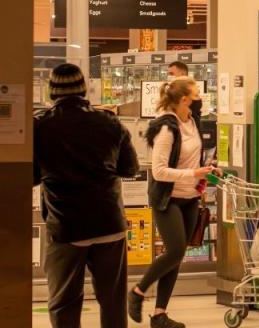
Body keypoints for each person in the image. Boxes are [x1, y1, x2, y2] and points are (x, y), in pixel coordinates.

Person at [34, 63, 140, 328]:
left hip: (66, 225)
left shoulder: (41, 126)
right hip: (109, 223)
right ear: (84, 90)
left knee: (65, 302)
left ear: (52, 92)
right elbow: (130, 168)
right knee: (112, 301)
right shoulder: (110, 122)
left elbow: (32, 176)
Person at [129, 77, 216, 328]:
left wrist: (207, 169)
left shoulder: (192, 121)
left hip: (190, 198)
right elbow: (159, 172)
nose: (201, 97)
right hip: (168, 199)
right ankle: (137, 291)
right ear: (185, 99)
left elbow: (189, 161)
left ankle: (159, 315)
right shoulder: (167, 128)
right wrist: (194, 174)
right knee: (175, 250)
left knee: (176, 256)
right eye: (197, 92)